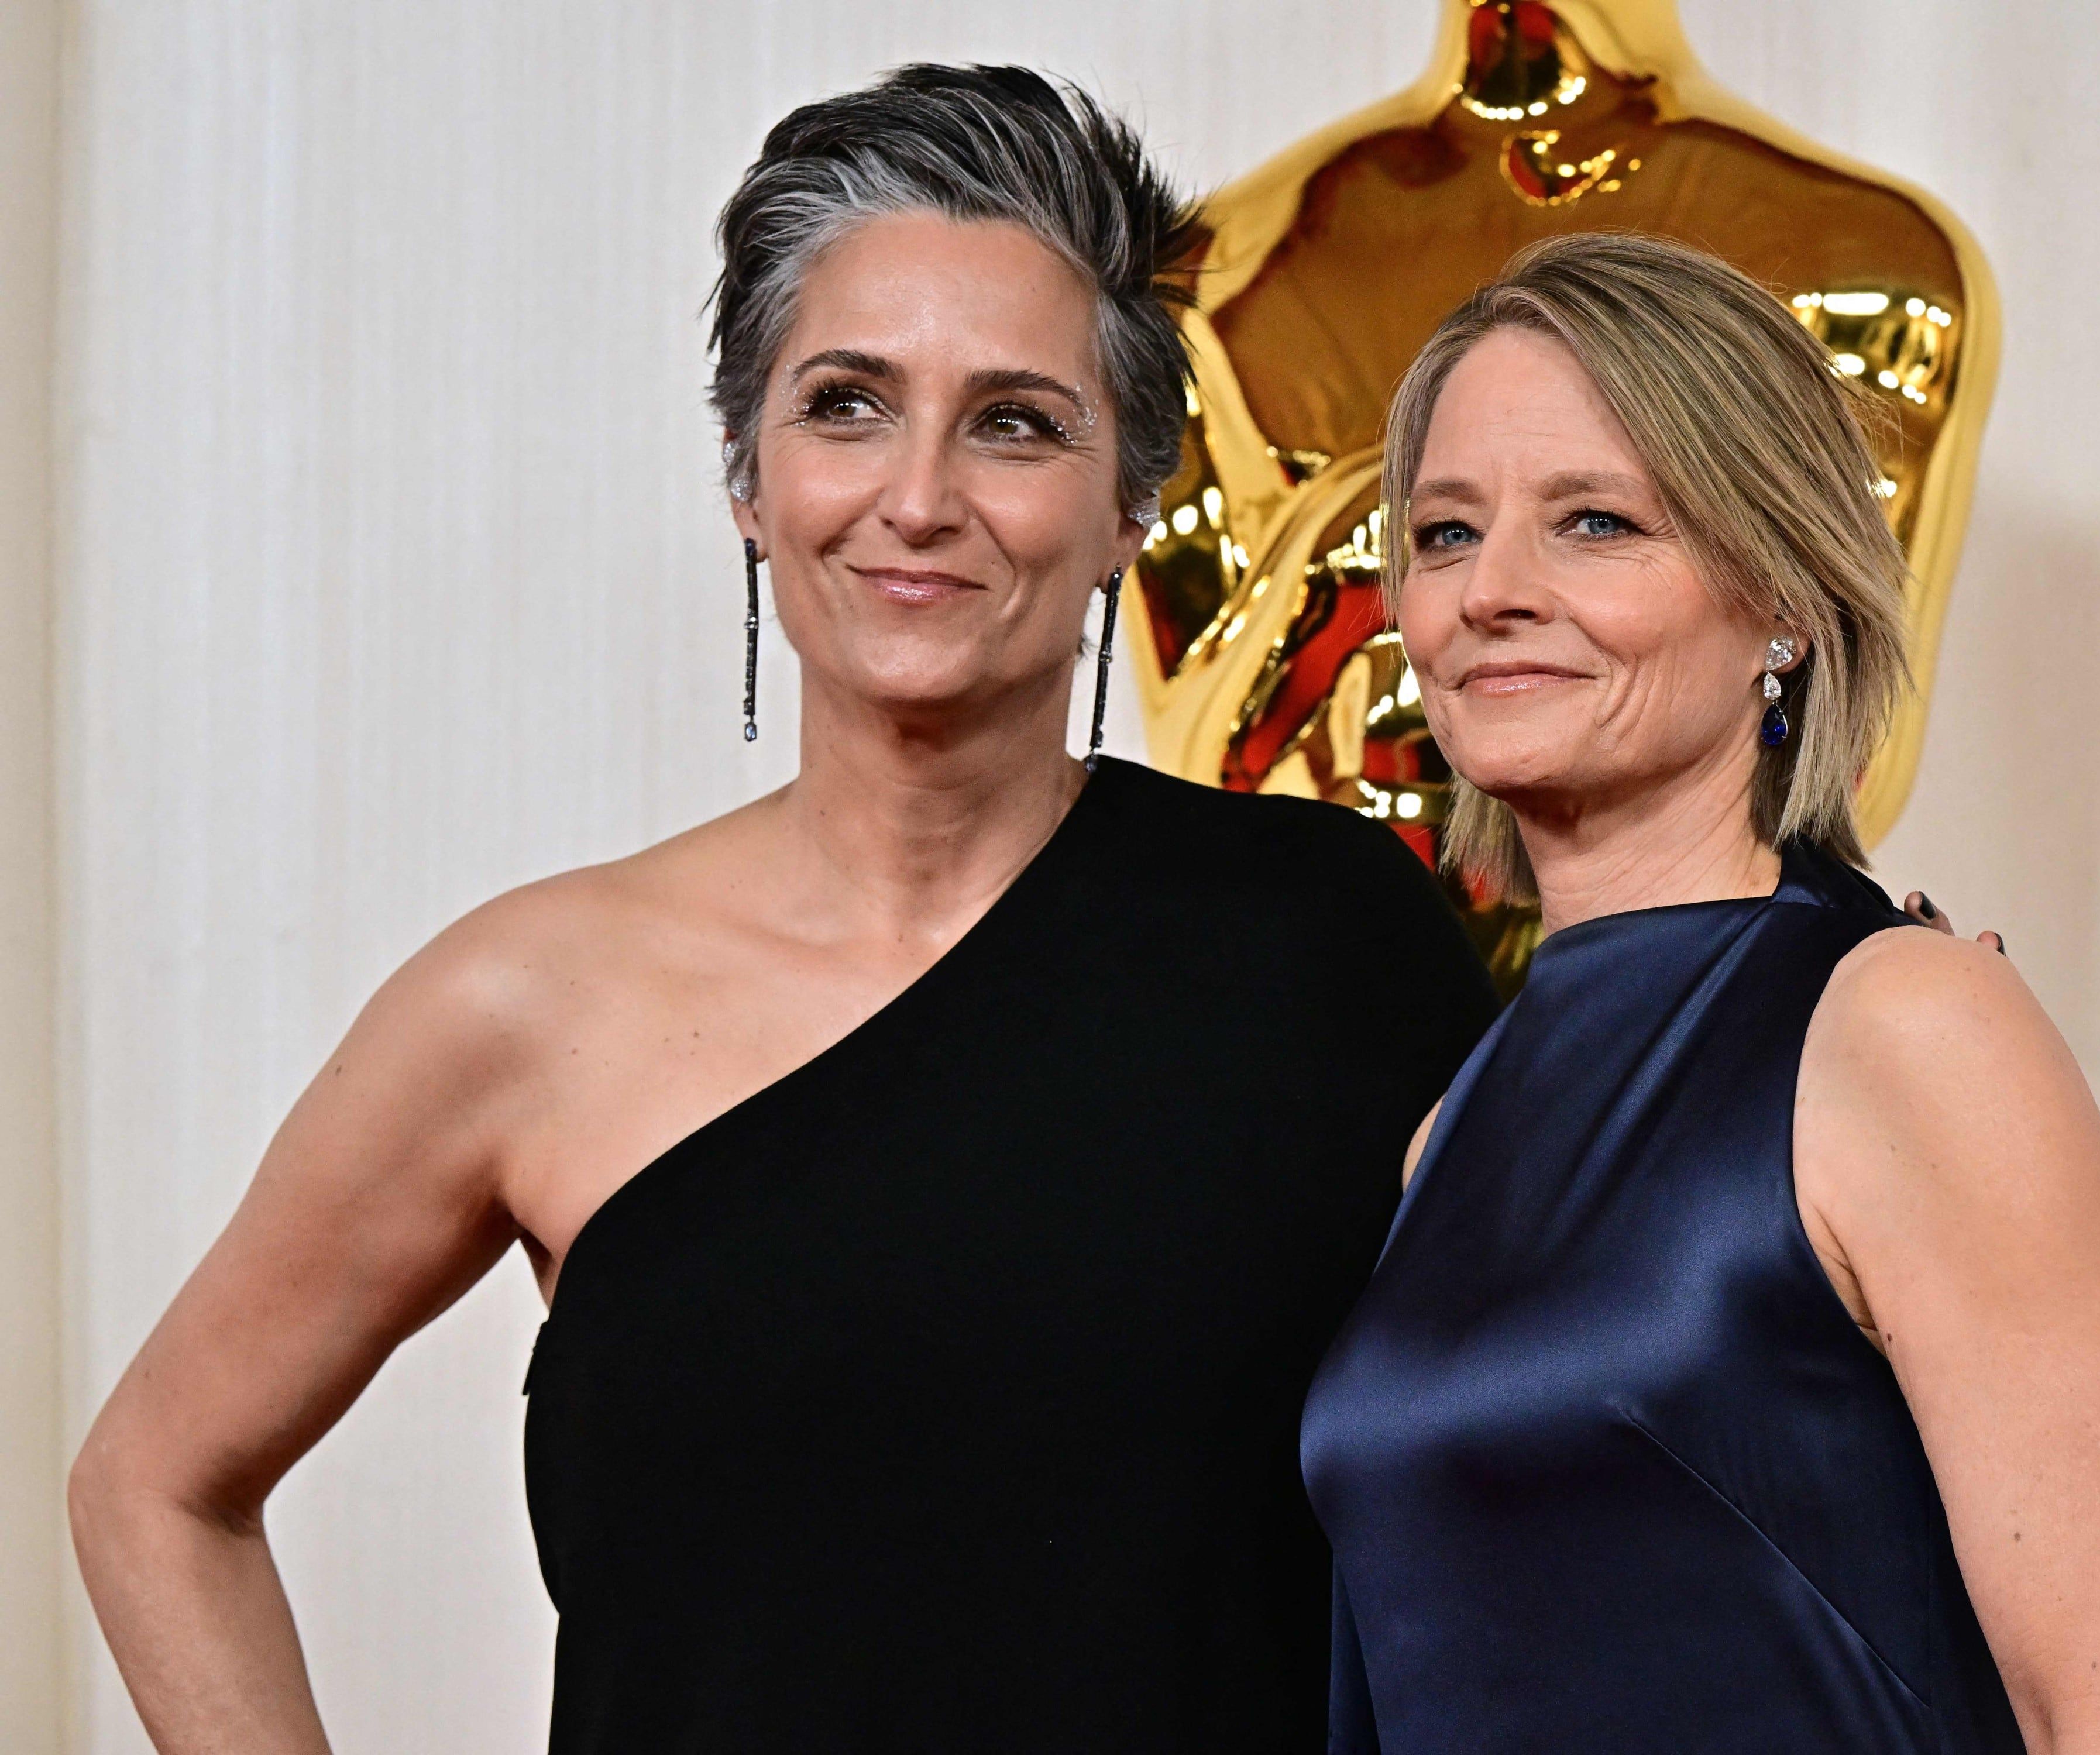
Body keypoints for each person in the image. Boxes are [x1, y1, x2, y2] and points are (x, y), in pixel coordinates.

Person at [67, 67, 1504, 1753]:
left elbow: (1583, 1448)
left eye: (1016, 421)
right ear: (747, 478)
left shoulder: (1331, 940)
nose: (919, 497)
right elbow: (153, 1485)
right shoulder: (525, 1004)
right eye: (845, 405)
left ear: (1129, 510)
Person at [1301, 233, 2100, 1755]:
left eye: (1594, 523)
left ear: (1781, 596)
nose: (1492, 592)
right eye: (1446, 532)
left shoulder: (1906, 1030)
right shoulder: (1450, 1126)